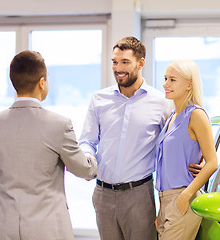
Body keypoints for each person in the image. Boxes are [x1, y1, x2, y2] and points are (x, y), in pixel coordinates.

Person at [0, 50, 98, 240]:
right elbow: (83, 169)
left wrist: (7, 188)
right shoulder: (59, 125)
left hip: (4, 227)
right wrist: (92, 161)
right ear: (41, 82)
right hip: (48, 229)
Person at [79, 36, 171, 240]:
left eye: (125, 62)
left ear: (141, 63)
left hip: (139, 195)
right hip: (103, 194)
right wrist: (88, 157)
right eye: (114, 62)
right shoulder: (99, 99)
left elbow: (171, 147)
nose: (118, 68)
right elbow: (87, 140)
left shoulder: (162, 103)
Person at [155, 59, 218, 240]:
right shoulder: (172, 116)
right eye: (165, 78)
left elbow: (212, 162)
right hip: (165, 199)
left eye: (172, 80)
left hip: (181, 198)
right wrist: (162, 208)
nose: (165, 84)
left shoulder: (196, 115)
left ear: (189, 84)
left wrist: (185, 196)